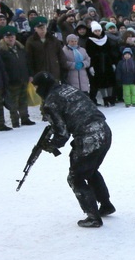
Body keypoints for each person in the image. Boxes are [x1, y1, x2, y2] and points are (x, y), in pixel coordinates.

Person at [33, 72, 114, 228]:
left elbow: (62, 134)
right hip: (104, 130)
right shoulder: (68, 89)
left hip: (88, 138)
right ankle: (106, 205)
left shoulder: (50, 102)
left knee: (76, 178)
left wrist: (51, 145)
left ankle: (93, 217)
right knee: (89, 170)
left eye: (36, 87)